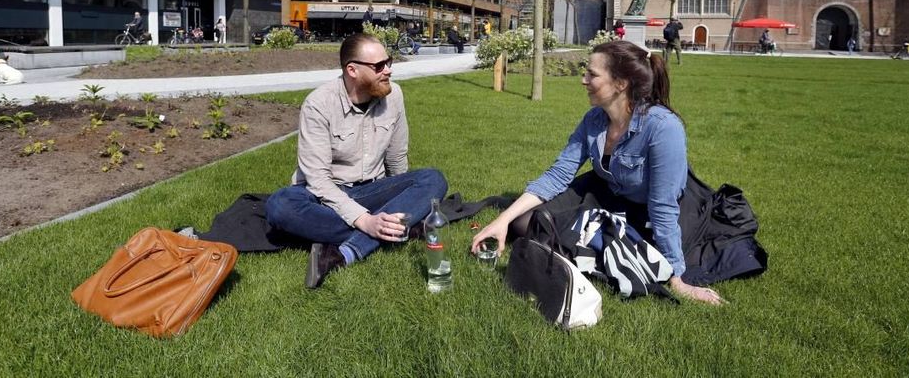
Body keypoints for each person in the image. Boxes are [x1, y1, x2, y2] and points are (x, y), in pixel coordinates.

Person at [470, 40, 726, 305]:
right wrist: (502, 220)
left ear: (621, 84)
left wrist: (677, 278)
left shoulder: (662, 127)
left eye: (592, 74)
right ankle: (580, 246)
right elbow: (558, 174)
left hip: (648, 209)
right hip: (608, 190)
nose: (583, 80)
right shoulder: (594, 119)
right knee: (524, 223)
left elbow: (663, 205)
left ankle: (580, 249)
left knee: (633, 254)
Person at [265, 33, 448, 289]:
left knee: (432, 179)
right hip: (325, 195)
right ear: (352, 70)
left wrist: (404, 197)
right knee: (280, 205)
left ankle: (344, 253)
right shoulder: (318, 104)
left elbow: (396, 159)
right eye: (379, 66)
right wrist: (366, 221)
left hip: (372, 189)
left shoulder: (393, 96)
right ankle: (399, 229)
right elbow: (317, 180)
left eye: (389, 62)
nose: (389, 71)